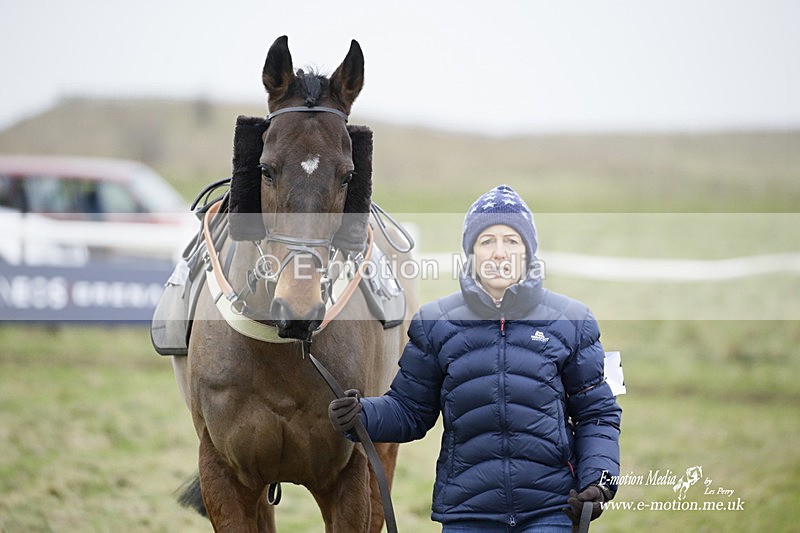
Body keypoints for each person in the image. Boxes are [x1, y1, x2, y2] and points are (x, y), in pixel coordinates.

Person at [329, 185, 622, 532]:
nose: (500, 253)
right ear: (470, 252)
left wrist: (599, 481)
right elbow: (409, 412)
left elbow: (598, 414)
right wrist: (360, 415)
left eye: (512, 241)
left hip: (552, 511)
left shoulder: (573, 321)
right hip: (467, 514)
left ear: (528, 250)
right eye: (487, 241)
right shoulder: (435, 323)